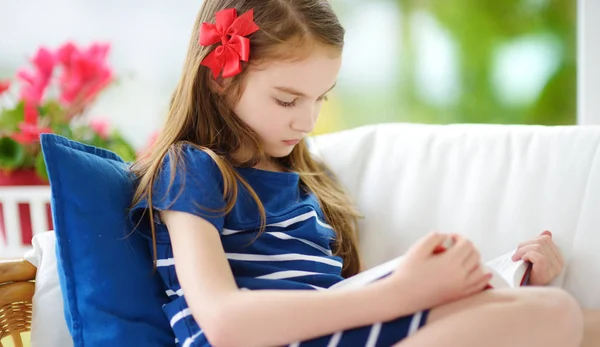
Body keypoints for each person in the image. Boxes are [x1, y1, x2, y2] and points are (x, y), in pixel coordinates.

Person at [129, 1, 595, 346]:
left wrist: (508, 281)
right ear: (221, 78)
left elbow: (340, 303)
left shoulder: (308, 182)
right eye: (288, 100)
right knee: (555, 314)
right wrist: (400, 292)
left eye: (321, 98)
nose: (307, 122)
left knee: (565, 315)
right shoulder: (191, 167)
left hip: (338, 331)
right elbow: (225, 322)